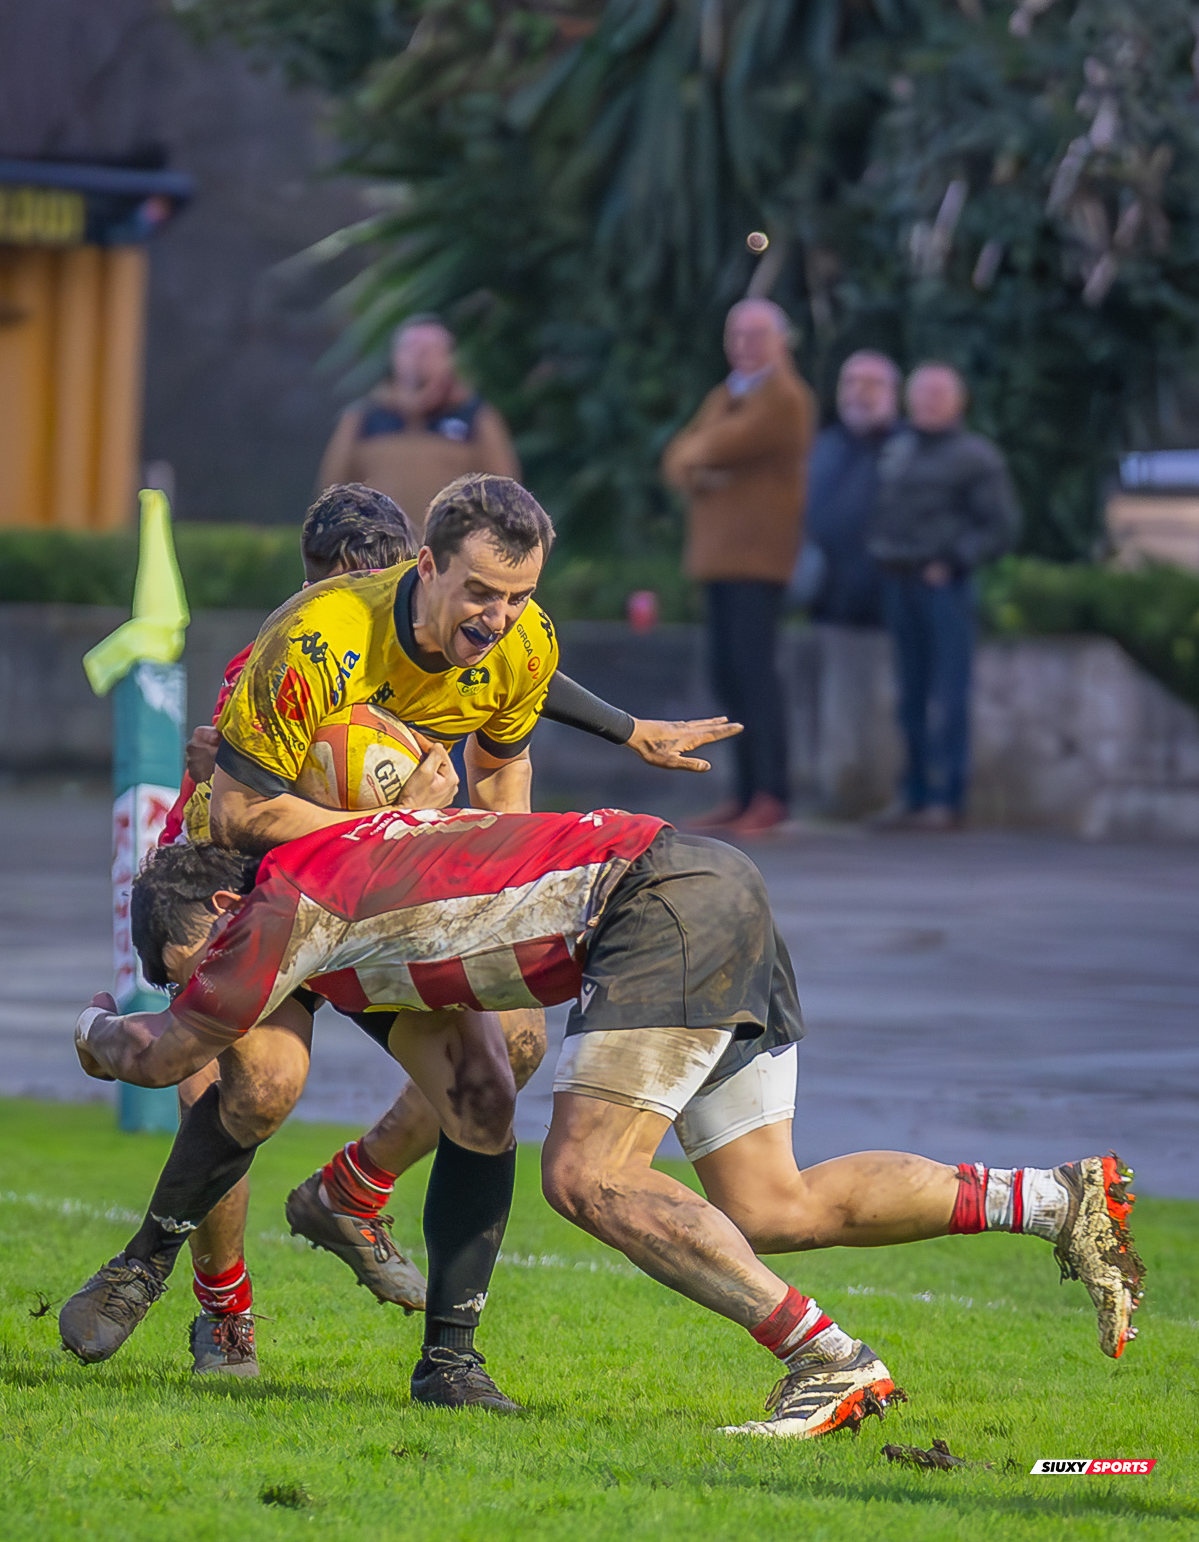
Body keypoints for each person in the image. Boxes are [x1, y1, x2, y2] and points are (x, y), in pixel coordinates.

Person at [71, 809, 1142, 1441]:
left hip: (655, 906)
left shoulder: (277, 905)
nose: (218, 997)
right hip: (706, 881)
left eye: (194, 969)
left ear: (215, 917)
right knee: (770, 1205)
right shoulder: (346, 879)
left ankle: (829, 1361)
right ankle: (1055, 1197)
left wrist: (95, 1032)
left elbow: (167, 1053)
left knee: (587, 1175)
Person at [63, 476, 742, 1384]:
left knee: (496, 1076)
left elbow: (511, 745)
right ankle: (194, 1291)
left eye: (515, 597)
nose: (497, 615)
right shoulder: (304, 648)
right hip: (239, 888)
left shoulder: (506, 642)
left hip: (375, 901)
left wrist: (519, 885)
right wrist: (393, 826)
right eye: (480, 593)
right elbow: (235, 812)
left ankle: (421, 1311)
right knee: (258, 1086)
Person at [662, 299, 816, 836]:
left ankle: (772, 793)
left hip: (759, 559)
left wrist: (702, 459)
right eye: (737, 334)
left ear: (780, 341)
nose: (745, 345)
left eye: (756, 335)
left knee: (756, 678)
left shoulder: (784, 398)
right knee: (727, 675)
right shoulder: (728, 394)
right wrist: (701, 460)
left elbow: (720, 445)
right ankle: (744, 792)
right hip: (719, 559)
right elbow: (680, 455)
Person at [869, 363, 1020, 828]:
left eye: (939, 394)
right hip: (899, 582)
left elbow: (1001, 525)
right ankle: (913, 793)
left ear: (959, 401)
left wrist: (954, 560)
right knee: (909, 695)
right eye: (922, 394)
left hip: (944, 587)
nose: (929, 403)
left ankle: (946, 798)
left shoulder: (976, 457)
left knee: (947, 695)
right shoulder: (898, 449)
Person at [318, 315, 520, 522]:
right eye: (411, 347)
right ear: (394, 357)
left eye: (432, 349)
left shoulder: (476, 417)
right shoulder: (363, 418)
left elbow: (504, 497)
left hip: (448, 550)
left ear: (449, 359)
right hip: (381, 549)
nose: (420, 356)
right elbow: (331, 493)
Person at [803, 351, 902, 627]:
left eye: (873, 384)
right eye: (852, 382)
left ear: (894, 393)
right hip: (827, 603)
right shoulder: (821, 448)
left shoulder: (912, 449)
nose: (860, 392)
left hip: (895, 603)